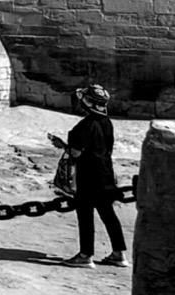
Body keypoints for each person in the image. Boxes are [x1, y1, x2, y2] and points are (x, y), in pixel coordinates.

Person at [47, 84, 126, 266]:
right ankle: (119, 253)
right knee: (108, 214)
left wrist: (62, 145)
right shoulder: (107, 123)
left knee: (85, 214)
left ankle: (85, 255)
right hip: (106, 172)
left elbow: (75, 153)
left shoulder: (83, 127)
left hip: (88, 176)